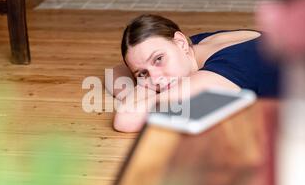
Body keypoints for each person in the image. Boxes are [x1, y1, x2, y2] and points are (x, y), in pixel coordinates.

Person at [107, 14, 280, 133]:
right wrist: (145, 88)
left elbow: (125, 120)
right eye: (143, 73)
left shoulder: (212, 77)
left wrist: (142, 94)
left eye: (158, 59)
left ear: (181, 42)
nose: (156, 79)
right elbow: (115, 71)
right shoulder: (194, 46)